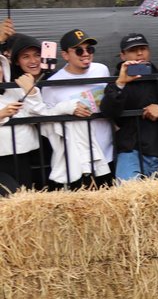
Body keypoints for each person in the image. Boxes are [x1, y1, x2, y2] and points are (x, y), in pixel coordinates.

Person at [100, 33, 158, 182]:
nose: (139, 53)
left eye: (143, 48)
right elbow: (108, 111)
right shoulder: (116, 81)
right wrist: (120, 83)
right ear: (123, 55)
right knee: (129, 197)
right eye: (133, 50)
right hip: (130, 149)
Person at [40, 29, 115, 188]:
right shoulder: (52, 85)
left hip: (108, 153)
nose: (86, 54)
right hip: (80, 160)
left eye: (90, 49)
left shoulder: (102, 70)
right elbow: (45, 122)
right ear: (65, 55)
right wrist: (66, 108)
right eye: (79, 50)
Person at [0, 34, 48, 189]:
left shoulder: (16, 88)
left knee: (24, 196)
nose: (33, 60)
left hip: (24, 155)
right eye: (25, 56)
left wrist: (32, 93)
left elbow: (38, 116)